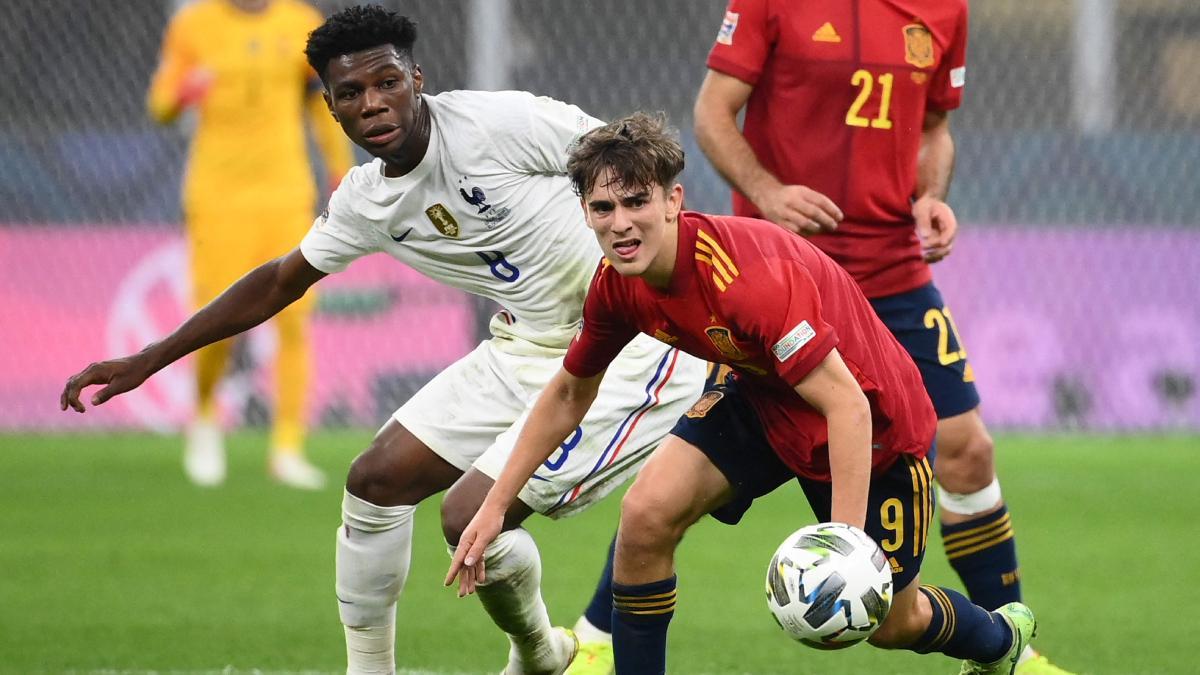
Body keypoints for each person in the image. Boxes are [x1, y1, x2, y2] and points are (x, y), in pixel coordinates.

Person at [63, 6, 706, 674]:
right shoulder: (366, 200)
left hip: (638, 345)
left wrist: (708, 290)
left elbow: (628, 163)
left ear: (416, 79)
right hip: (528, 348)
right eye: (351, 93)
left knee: (468, 518)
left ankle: (535, 654)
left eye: (387, 82)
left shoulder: (497, 124)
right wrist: (149, 358)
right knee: (374, 480)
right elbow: (280, 281)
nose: (373, 102)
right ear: (331, 108)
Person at [448, 112, 1037, 675]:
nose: (621, 223)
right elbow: (569, 393)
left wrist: (845, 546)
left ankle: (999, 640)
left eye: (636, 202)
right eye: (603, 208)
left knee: (891, 623)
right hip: (762, 397)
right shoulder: (617, 286)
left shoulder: (745, 281)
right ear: (585, 212)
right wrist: (497, 502)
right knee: (646, 517)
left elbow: (847, 404)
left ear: (673, 201)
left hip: (874, 424)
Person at [691, 2, 1069, 672]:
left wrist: (930, 194)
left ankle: (1009, 652)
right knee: (687, 478)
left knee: (969, 449)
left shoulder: (945, 9)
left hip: (893, 270)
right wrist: (768, 193)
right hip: (788, 273)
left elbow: (934, 128)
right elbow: (713, 113)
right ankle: (600, 633)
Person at [147, 0, 354, 489]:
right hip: (216, 195)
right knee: (216, 320)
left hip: (286, 191)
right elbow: (159, 106)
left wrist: (340, 165)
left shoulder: (301, 24)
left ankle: (287, 448)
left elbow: (323, 106)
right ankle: (203, 419)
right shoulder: (193, 25)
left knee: (296, 318)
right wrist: (182, 92)